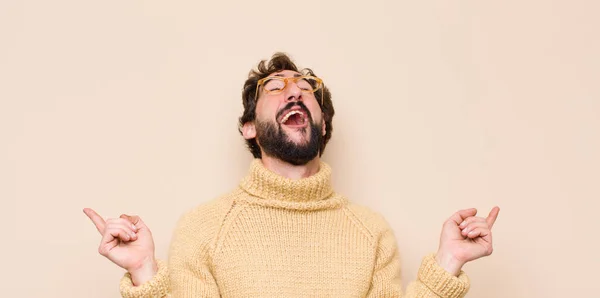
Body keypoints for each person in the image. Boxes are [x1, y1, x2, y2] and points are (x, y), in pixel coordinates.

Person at [84, 53, 500, 298]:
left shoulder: (371, 232)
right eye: (275, 87)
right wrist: (145, 273)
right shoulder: (204, 228)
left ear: (324, 125)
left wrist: (449, 263)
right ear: (249, 127)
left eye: (306, 88)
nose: (296, 91)